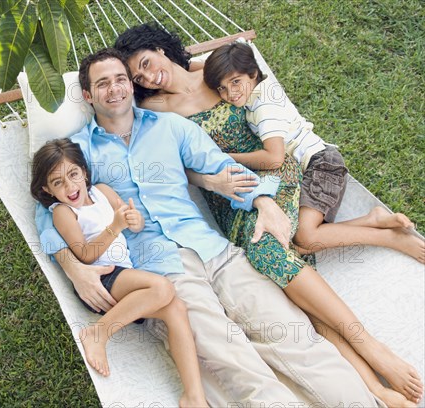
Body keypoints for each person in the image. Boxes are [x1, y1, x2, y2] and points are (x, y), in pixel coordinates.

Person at [35, 47, 380, 406]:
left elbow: (219, 167)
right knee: (237, 363)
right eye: (102, 83)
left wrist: (262, 201)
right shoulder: (75, 151)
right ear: (88, 95)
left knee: (297, 339)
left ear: (131, 86)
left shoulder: (170, 126)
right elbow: (48, 209)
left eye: (121, 79)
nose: (115, 89)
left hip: (215, 250)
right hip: (161, 268)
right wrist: (73, 267)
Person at [115, 23, 423, 406]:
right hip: (230, 198)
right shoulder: (150, 109)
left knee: (268, 254)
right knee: (283, 292)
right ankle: (373, 389)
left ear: (162, 49)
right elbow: (178, 168)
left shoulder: (215, 70)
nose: (146, 76)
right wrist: (211, 182)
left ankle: (373, 350)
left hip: (275, 174)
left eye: (145, 63)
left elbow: (264, 98)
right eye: (137, 75)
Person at [202, 41, 424, 264]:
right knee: (297, 244)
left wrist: (227, 157)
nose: (230, 93)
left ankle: (391, 238)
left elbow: (274, 158)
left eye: (235, 82)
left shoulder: (263, 106)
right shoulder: (258, 89)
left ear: (252, 73)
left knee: (305, 238)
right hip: (312, 168)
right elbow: (217, 69)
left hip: (322, 165)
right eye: (221, 87)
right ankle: (372, 219)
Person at [30, 138, 208, 407]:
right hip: (101, 279)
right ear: (47, 189)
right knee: (163, 289)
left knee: (177, 309)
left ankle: (193, 397)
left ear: (84, 172)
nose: (70, 186)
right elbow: (85, 254)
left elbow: (130, 217)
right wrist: (115, 226)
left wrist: (134, 221)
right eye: (58, 183)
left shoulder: (102, 191)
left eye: (73, 175)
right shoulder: (63, 213)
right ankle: (99, 333)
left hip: (123, 274)